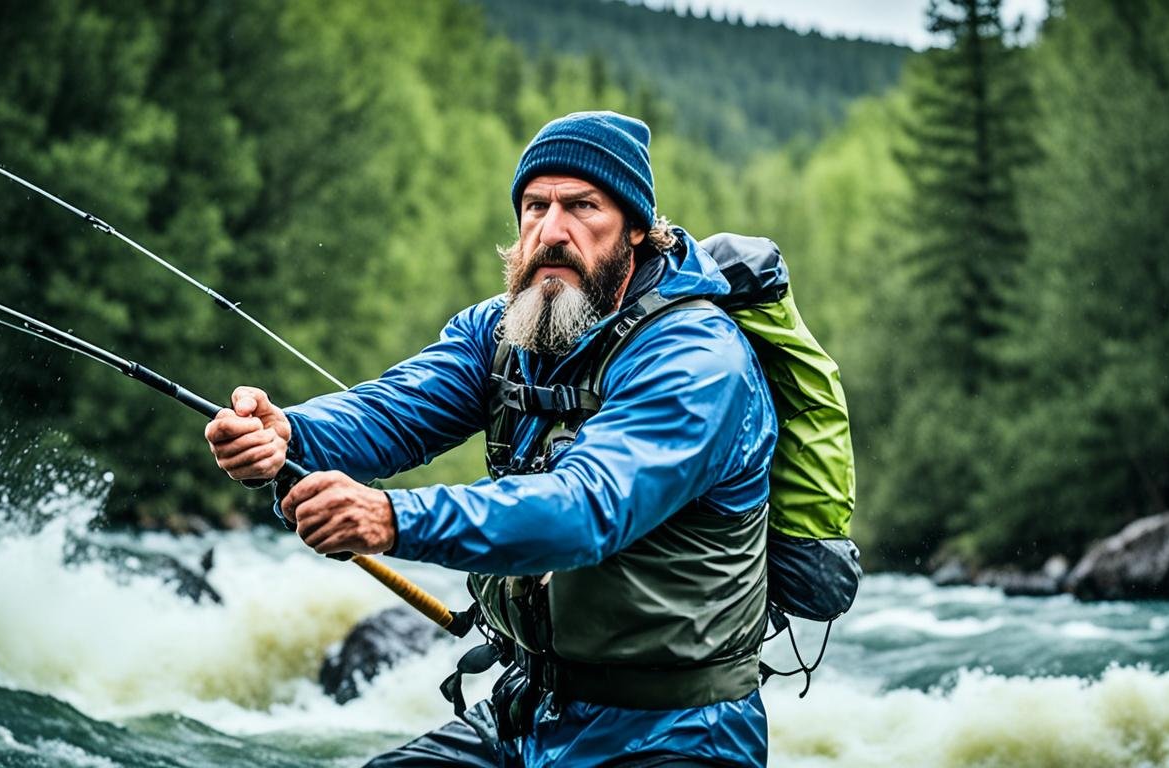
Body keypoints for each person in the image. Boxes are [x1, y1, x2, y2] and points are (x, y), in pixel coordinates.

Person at [204, 111, 778, 767]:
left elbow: (586, 510)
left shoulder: (697, 359)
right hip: (528, 713)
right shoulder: (503, 330)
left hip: (677, 734)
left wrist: (389, 518)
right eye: (536, 207)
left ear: (637, 230)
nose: (552, 231)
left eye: (582, 207)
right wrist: (289, 432)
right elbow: (391, 414)